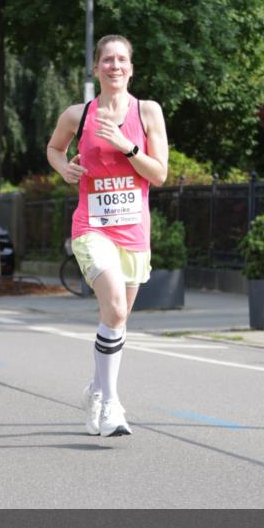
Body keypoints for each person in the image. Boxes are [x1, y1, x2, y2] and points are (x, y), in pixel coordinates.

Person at [47, 35, 168, 437]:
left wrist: (127, 146)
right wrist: (64, 168)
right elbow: (54, 148)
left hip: (134, 232)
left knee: (117, 318)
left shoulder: (148, 111)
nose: (115, 66)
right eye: (107, 60)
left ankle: (96, 391)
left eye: (122, 60)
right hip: (92, 227)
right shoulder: (77, 115)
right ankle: (112, 404)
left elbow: (159, 174)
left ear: (131, 68)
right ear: (96, 67)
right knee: (114, 308)